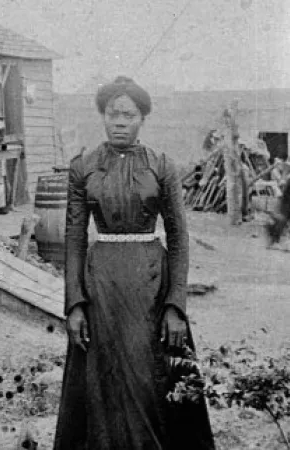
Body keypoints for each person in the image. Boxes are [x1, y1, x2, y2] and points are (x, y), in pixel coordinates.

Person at [54, 76, 215, 450]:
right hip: (101, 287)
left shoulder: (161, 165)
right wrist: (75, 304)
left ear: (141, 118)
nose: (119, 122)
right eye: (113, 114)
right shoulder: (84, 166)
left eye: (128, 114)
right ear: (103, 117)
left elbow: (177, 237)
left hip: (151, 285)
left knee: (151, 379)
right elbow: (75, 237)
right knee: (101, 381)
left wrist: (176, 306)